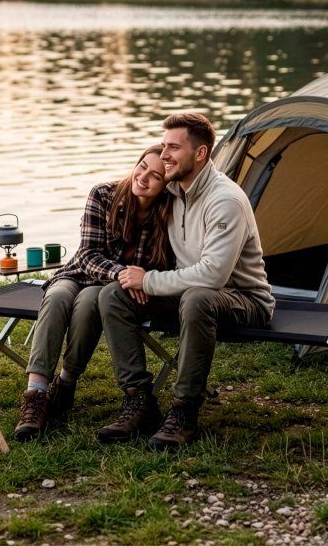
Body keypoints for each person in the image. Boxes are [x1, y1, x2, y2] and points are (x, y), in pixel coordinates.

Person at [97, 112, 274, 450]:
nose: (163, 155)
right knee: (113, 295)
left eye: (173, 148)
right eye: (163, 146)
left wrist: (149, 281)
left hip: (243, 298)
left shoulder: (225, 200)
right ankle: (139, 401)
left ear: (201, 153)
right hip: (189, 294)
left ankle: (184, 410)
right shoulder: (173, 191)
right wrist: (132, 278)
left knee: (197, 297)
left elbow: (213, 275)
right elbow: (134, 197)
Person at [14, 145, 174, 441]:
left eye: (155, 176)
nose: (143, 177)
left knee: (90, 302)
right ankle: (36, 395)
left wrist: (137, 280)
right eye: (142, 167)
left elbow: (158, 263)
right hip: (79, 273)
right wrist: (123, 274)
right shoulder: (103, 194)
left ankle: (65, 383)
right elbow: (87, 254)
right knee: (57, 297)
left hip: (108, 288)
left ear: (166, 185)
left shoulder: (166, 212)